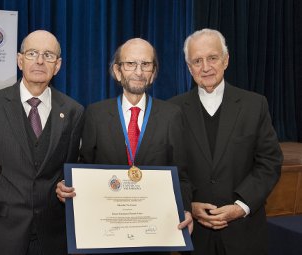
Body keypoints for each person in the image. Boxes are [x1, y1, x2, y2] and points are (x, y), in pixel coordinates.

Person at [56, 38, 193, 254]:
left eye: (146, 64)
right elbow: (84, 167)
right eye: (130, 64)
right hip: (107, 236)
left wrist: (185, 209)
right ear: (117, 71)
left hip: (154, 237)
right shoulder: (95, 114)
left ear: (154, 72)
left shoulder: (172, 115)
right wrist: (68, 184)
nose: (138, 71)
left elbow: (181, 174)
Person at [169, 28, 283, 255]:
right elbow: (170, 166)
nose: (206, 67)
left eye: (212, 58)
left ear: (226, 60)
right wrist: (187, 205)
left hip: (244, 233)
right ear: (189, 68)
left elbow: (269, 162)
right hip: (194, 236)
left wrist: (241, 207)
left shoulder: (255, 105)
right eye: (197, 61)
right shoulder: (172, 110)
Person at [0, 30, 84, 255]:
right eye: (32, 53)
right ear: (20, 60)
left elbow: (68, 170)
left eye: (48, 55)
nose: (40, 60)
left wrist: (65, 186)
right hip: (1, 232)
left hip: (53, 235)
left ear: (58, 65)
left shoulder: (74, 111)